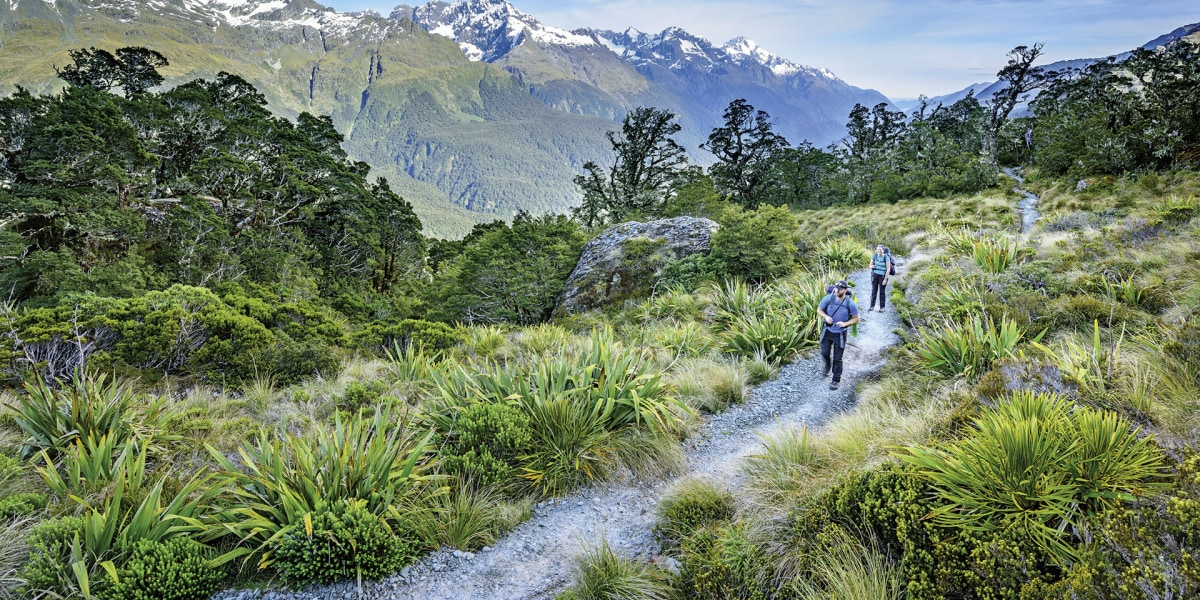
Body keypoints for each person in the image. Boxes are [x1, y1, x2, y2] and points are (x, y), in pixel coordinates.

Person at [818, 280, 860, 390]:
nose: (837, 290)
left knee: (838, 357)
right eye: (836, 288)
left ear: (845, 290)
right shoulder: (829, 298)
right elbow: (819, 310)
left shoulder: (850, 303)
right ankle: (828, 364)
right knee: (824, 352)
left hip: (840, 333)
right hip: (827, 330)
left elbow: (856, 318)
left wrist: (845, 324)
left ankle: (836, 380)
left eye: (840, 289)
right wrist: (826, 317)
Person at [867, 245, 893, 312]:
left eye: (880, 249)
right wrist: (871, 266)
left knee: (882, 292)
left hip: (883, 276)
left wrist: (885, 279)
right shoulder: (874, 256)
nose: (879, 251)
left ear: (883, 250)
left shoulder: (886, 257)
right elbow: (870, 265)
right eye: (878, 249)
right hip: (875, 275)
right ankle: (872, 306)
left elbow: (888, 269)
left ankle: (882, 307)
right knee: (874, 291)